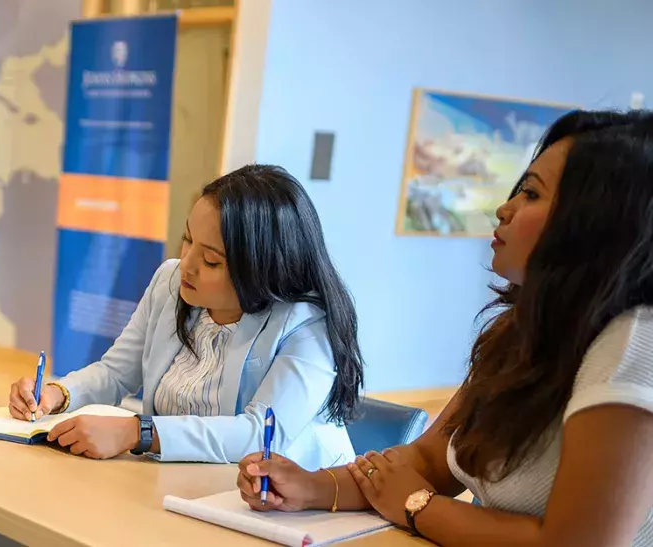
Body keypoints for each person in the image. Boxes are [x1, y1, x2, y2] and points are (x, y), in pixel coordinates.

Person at [237, 110, 653, 546]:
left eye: (531, 194)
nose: (504, 208)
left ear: (596, 224)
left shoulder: (633, 344)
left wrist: (419, 506)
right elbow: (428, 461)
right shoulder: (523, 329)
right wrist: (312, 486)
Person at [9, 165, 364, 467]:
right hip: (184, 484)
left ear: (263, 268)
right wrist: (57, 393)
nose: (188, 265)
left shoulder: (306, 324)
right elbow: (117, 372)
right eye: (187, 240)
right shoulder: (170, 279)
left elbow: (259, 435)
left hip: (293, 507)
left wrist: (140, 432)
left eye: (212, 260)